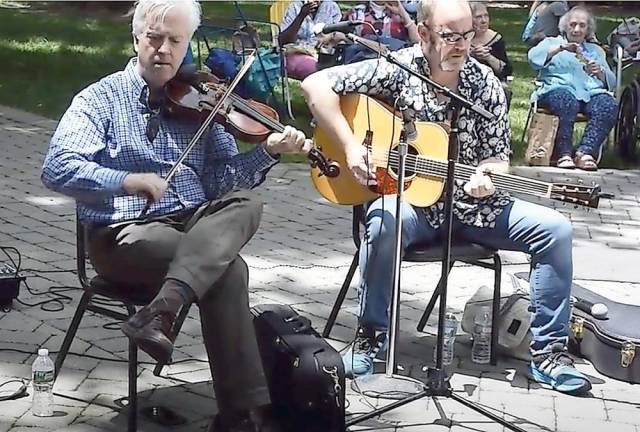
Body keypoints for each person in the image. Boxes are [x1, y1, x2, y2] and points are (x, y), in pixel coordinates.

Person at [41, 0, 311, 431]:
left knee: (248, 203)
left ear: (187, 45)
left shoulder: (202, 100)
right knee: (228, 268)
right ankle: (239, 417)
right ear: (136, 38)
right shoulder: (99, 99)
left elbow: (224, 182)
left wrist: (267, 152)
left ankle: (162, 309)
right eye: (155, 37)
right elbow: (57, 168)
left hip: (193, 225)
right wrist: (126, 181)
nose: (164, 49)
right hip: (123, 235)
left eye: (176, 41)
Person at [302, 0, 592, 396]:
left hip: (476, 207)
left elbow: (497, 158)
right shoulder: (396, 69)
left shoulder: (485, 83)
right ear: (423, 34)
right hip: (413, 206)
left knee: (556, 229)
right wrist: (351, 147)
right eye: (450, 36)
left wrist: (489, 176)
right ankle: (372, 337)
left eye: (468, 35)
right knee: (384, 218)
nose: (461, 45)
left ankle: (548, 355)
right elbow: (314, 85)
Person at [528, 6, 617, 170]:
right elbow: (533, 59)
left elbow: (611, 80)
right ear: (565, 26)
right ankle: (564, 154)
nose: (577, 29)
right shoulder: (552, 42)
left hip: (590, 92)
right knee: (566, 101)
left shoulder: (595, 50)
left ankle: (585, 153)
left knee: (607, 104)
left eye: (582, 25)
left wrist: (600, 72)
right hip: (557, 90)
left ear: (588, 29)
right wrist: (561, 48)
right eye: (573, 24)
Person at [279, 0, 343, 80]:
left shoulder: (331, 7)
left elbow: (341, 35)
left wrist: (329, 36)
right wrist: (301, 16)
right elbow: (283, 41)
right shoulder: (295, 6)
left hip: (324, 55)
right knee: (319, 72)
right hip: (296, 53)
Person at [469, 2, 513, 106]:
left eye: (486, 16)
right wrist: (471, 54)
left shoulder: (496, 39)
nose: (484, 21)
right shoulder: (461, 37)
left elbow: (506, 71)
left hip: (492, 81)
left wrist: (488, 57)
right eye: (478, 17)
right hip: (466, 79)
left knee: (504, 90)